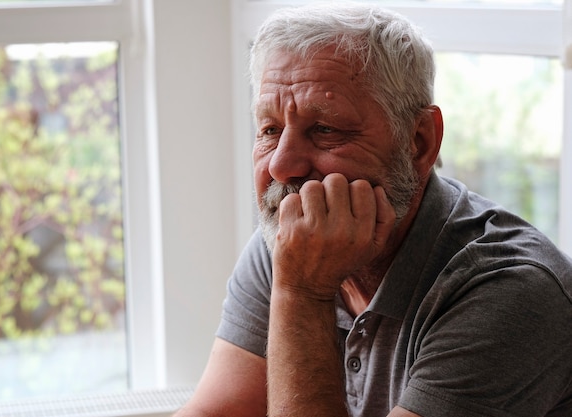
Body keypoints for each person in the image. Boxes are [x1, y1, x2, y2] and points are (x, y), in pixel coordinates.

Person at [174, 3, 572, 417]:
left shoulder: (509, 291)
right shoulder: (293, 241)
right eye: (270, 130)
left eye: (324, 129)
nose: (281, 165)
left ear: (418, 141)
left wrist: (303, 293)